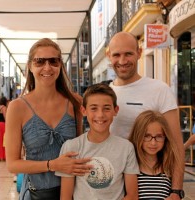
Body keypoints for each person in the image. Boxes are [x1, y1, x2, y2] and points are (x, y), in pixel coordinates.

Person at [5, 38, 92, 200]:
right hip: (37, 193)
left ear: (60, 66)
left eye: (53, 61)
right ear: (30, 66)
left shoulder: (75, 101)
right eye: (39, 61)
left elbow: (82, 147)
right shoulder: (17, 107)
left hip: (74, 191)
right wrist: (52, 165)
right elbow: (12, 164)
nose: (47, 67)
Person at [106, 31, 185, 199]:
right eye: (116, 55)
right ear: (108, 55)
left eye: (128, 54)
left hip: (152, 183)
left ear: (139, 53)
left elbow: (177, 146)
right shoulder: (104, 95)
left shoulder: (159, 90)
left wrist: (176, 191)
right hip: (114, 185)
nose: (122, 61)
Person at [56, 83, 139, 200]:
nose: (100, 115)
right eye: (94, 108)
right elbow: (65, 197)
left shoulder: (126, 148)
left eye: (106, 108)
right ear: (84, 110)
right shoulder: (72, 147)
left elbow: (132, 195)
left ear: (116, 110)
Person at [129, 110, 183, 199]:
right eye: (147, 136)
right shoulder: (130, 167)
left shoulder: (169, 167)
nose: (153, 143)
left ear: (165, 137)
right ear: (138, 135)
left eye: (159, 136)